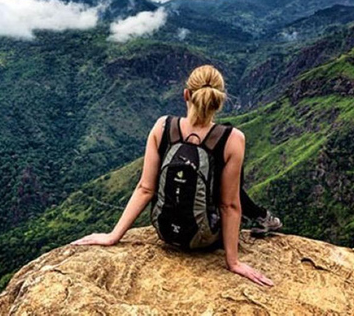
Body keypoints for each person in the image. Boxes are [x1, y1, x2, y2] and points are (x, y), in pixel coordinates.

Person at [71, 64, 281, 287]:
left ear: (186, 95)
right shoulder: (233, 139)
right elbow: (229, 205)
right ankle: (263, 217)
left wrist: (113, 236)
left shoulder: (162, 127)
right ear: (219, 101)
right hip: (204, 240)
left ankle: (261, 216)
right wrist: (233, 262)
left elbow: (145, 188)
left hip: (165, 232)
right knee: (227, 183)